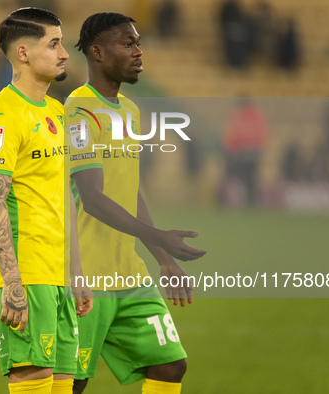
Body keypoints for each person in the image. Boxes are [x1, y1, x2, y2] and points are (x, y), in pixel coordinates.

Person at [65, 12, 206, 394]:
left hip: (129, 273)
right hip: (86, 274)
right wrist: (159, 234)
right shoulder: (78, 110)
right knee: (72, 383)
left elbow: (130, 189)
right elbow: (93, 199)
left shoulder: (129, 110)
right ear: (97, 52)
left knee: (170, 365)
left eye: (138, 42)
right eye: (128, 44)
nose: (139, 51)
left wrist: (162, 256)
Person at [0, 8, 92, 394]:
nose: (64, 54)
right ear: (23, 53)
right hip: (24, 276)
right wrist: (12, 280)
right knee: (32, 381)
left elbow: (65, 198)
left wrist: (75, 272)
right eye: (53, 44)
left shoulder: (58, 113)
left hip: (57, 277)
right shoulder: (1, 117)